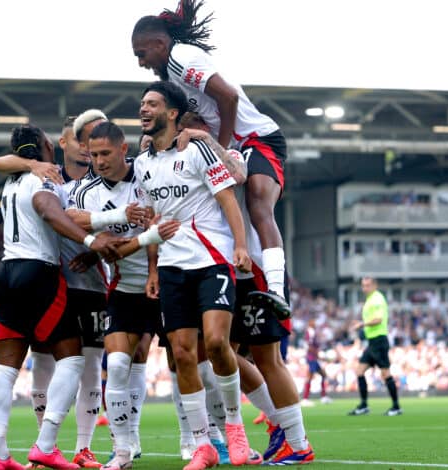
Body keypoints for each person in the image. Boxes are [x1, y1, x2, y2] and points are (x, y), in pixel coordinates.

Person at [131, 0, 292, 322]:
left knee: (259, 205)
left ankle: (276, 289)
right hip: (229, 145)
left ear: (159, 44)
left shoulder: (182, 57)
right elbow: (185, 114)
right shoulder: (171, 76)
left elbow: (228, 96)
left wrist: (221, 144)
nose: (139, 63)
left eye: (141, 54)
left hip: (256, 138)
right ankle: (245, 280)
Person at [0, 124, 124, 470]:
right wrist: (92, 241)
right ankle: (46, 445)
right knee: (73, 359)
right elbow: (49, 210)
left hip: (4, 274)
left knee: (5, 368)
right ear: (48, 147)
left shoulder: (12, 180)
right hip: (39, 273)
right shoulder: (42, 179)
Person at [178, 114, 313, 465]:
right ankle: (270, 422)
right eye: (183, 125)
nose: (188, 131)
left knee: (268, 358)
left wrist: (206, 141)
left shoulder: (232, 153)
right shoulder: (180, 162)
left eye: (196, 124)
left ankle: (298, 444)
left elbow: (237, 174)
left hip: (249, 267)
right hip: (213, 269)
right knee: (214, 352)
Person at [134, 80, 252, 470]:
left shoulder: (198, 148)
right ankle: (202, 445)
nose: (144, 109)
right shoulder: (142, 163)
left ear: (171, 113)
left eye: (152, 104)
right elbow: (152, 218)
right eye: (142, 104)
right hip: (170, 266)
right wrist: (152, 267)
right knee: (182, 353)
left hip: (212, 258)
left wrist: (240, 245)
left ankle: (235, 427)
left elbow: (227, 199)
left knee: (217, 343)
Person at [70, 121, 180, 470]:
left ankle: (195, 440)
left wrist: (151, 270)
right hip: (122, 289)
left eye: (105, 153)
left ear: (122, 150)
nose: (98, 161)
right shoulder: (88, 190)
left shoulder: (146, 177)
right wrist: (105, 233)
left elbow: (156, 227)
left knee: (182, 361)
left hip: (165, 282)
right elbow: (72, 218)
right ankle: (123, 449)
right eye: (93, 154)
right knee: (117, 363)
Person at [349, 277, 402, 416]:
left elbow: (378, 320)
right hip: (372, 342)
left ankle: (396, 406)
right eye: (363, 285)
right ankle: (364, 405)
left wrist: (361, 324)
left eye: (367, 285)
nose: (364, 288)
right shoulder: (370, 299)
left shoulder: (377, 299)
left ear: (374, 285)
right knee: (359, 371)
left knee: (385, 374)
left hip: (379, 341)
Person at [302, 319, 331, 407]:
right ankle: (305, 399)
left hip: (314, 358)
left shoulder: (312, 331)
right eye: (313, 322)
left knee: (323, 375)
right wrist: (318, 355)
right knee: (309, 377)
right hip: (312, 358)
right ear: (310, 323)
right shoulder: (310, 332)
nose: (315, 324)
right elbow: (309, 346)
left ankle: (323, 397)